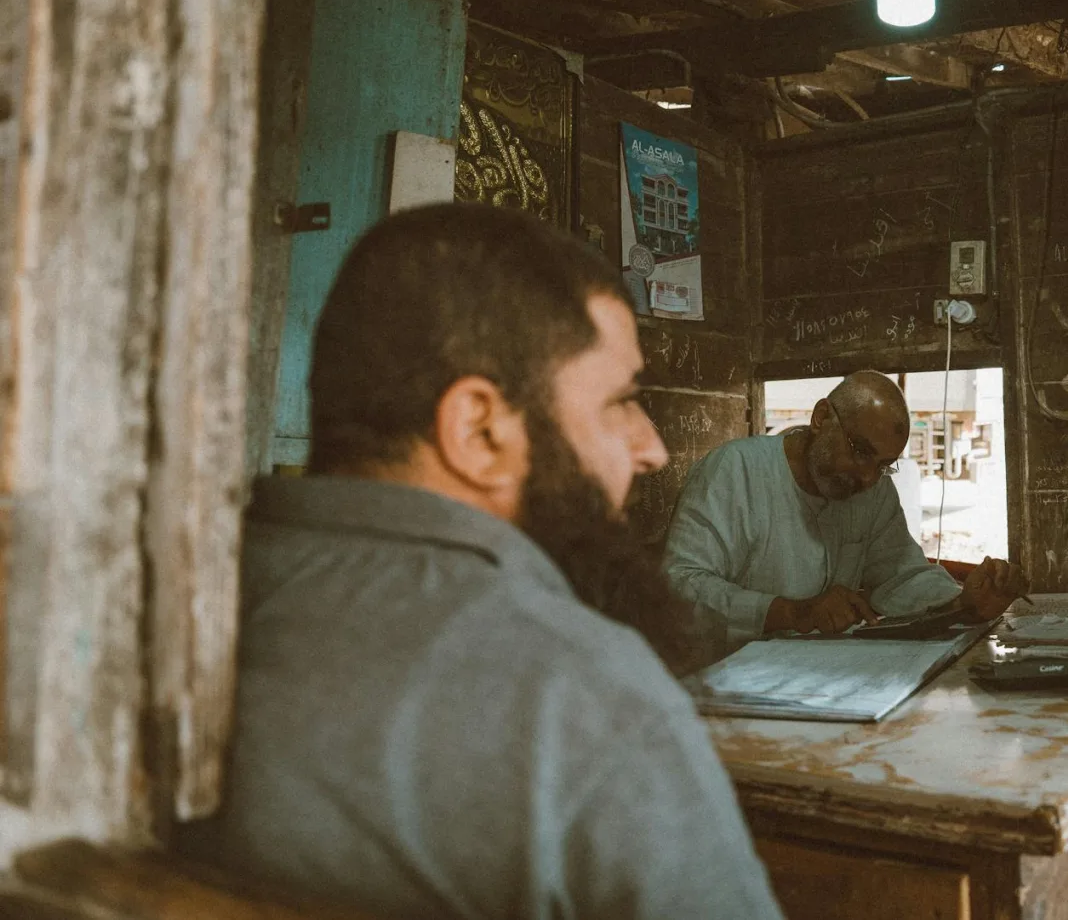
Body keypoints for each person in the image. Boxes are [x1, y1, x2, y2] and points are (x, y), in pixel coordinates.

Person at [178, 204, 783, 920]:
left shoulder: (175, 597)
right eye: (621, 402)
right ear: (479, 431)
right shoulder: (584, 694)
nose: (651, 448)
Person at [664, 370, 1027, 650]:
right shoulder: (736, 470)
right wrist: (792, 612)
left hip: (823, 678)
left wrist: (963, 601)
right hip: (725, 679)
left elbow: (900, 575)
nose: (868, 477)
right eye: (860, 452)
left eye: (883, 465)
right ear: (821, 417)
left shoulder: (873, 491)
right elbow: (678, 587)